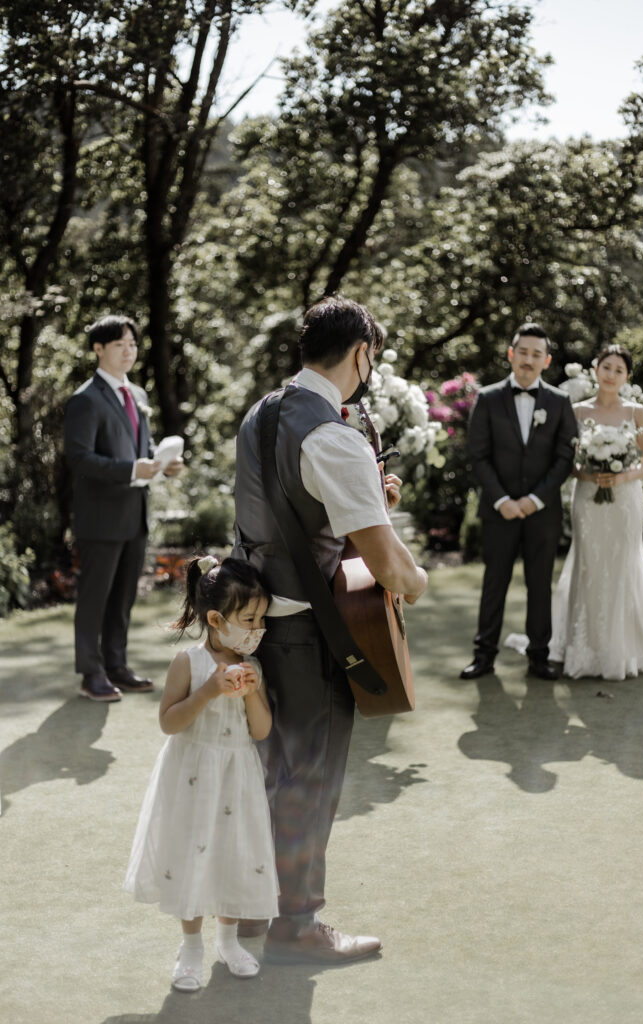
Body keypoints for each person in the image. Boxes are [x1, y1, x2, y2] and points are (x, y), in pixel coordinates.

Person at [232, 296, 428, 965]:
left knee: (272, 771)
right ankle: (299, 922)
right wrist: (417, 582)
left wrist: (369, 495)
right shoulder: (333, 434)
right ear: (360, 355)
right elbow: (390, 570)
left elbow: (291, 505)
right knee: (309, 779)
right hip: (313, 637)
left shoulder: (263, 412)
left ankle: (256, 906)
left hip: (257, 625)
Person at [124, 555, 279, 991]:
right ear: (215, 619)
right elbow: (169, 722)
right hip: (192, 775)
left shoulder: (254, 666)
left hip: (236, 775)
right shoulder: (188, 663)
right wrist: (210, 689)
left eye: (261, 620)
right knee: (190, 855)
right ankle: (191, 946)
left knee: (233, 854)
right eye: (249, 619)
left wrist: (250, 694)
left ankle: (228, 941)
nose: (257, 629)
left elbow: (262, 729)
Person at [64, 315, 182, 702]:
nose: (128, 351)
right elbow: (79, 459)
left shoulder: (140, 397)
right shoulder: (85, 399)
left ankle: (116, 665)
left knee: (124, 598)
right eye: (119, 344)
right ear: (98, 349)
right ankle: (90, 672)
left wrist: (162, 465)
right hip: (100, 517)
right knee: (95, 598)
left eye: (132, 344)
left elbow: (142, 453)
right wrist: (132, 468)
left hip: (135, 514)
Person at [550, 344, 643, 678]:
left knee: (623, 564)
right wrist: (589, 473)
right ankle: (585, 648)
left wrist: (622, 475)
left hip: (625, 498)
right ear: (596, 369)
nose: (611, 375)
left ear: (628, 377)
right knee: (589, 563)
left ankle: (625, 649)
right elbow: (567, 463)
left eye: (618, 370)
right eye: (606, 367)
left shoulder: (637, 412)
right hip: (588, 498)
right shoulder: (576, 411)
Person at [461, 322, 577, 681]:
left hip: (542, 513)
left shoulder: (559, 402)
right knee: (494, 581)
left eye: (536, 354)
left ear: (547, 360)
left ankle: (539, 655)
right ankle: (484, 655)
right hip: (500, 512)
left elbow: (565, 457)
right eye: (522, 352)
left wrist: (534, 500)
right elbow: (477, 456)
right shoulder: (488, 397)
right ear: (511, 354)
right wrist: (502, 501)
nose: (528, 359)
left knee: (540, 583)